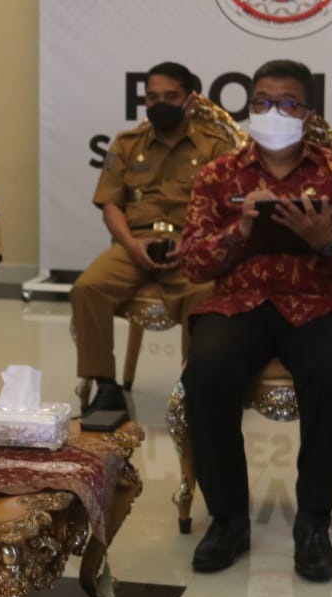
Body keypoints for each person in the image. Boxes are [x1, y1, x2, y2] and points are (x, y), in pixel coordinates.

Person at [178, 59, 332, 581]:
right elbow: (194, 262)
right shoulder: (218, 175)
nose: (273, 112)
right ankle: (228, 521)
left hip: (320, 303)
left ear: (308, 114)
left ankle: (313, 522)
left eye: (288, 103)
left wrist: (326, 243)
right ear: (249, 107)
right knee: (207, 369)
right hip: (239, 304)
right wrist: (241, 231)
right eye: (262, 102)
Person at [71, 62, 238, 414]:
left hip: (191, 244)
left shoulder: (216, 147)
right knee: (88, 288)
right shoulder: (126, 144)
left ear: (190, 101)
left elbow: (225, 210)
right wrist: (131, 244)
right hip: (134, 242)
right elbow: (110, 205)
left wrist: (191, 243)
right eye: (152, 97)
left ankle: (195, 387)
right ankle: (105, 385)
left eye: (170, 97)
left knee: (204, 294)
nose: (160, 104)